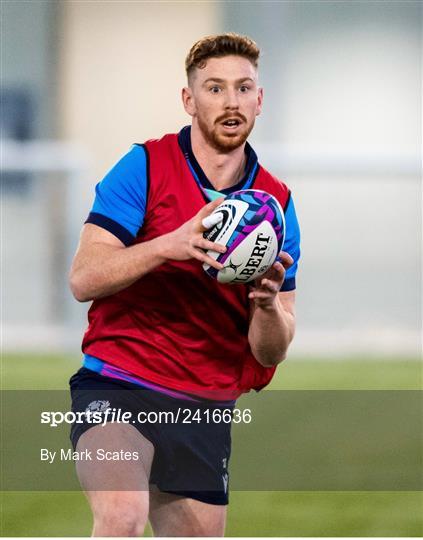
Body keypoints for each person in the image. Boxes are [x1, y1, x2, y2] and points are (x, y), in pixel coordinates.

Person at [68, 33, 300, 537]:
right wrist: (165, 246)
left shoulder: (276, 207)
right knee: (121, 516)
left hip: (205, 404)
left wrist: (265, 307)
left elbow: (271, 352)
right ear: (189, 100)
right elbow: (84, 278)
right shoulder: (144, 168)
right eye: (214, 88)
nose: (231, 102)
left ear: (259, 99)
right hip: (120, 382)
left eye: (243, 88)